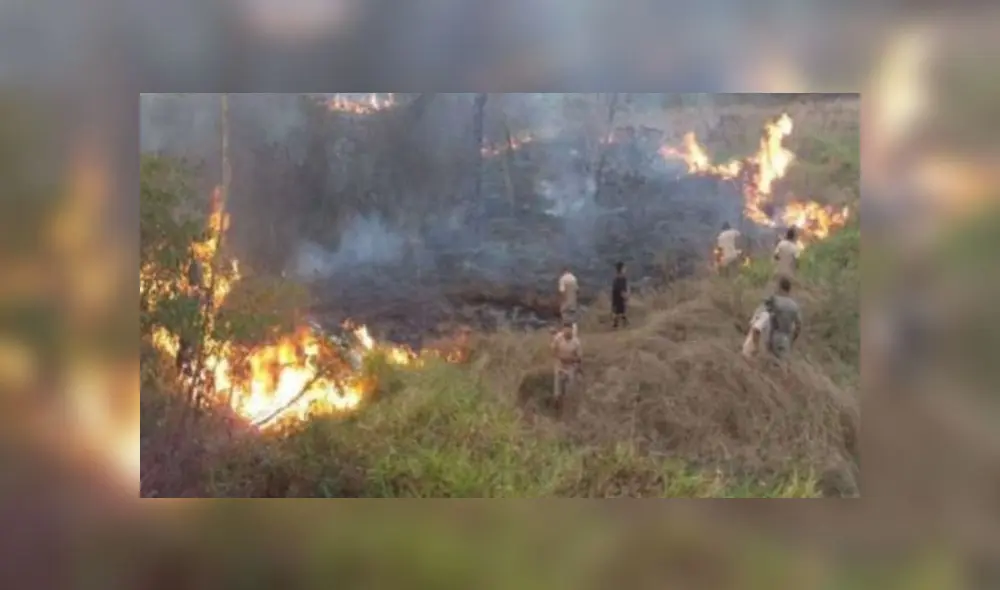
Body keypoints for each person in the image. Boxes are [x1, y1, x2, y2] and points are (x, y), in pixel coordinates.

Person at [767, 277, 802, 358]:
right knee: (783, 363)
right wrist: (793, 338)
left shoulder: (774, 300)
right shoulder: (794, 306)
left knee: (771, 363)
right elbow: (799, 326)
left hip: (774, 335)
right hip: (787, 338)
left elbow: (765, 315)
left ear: (780, 287)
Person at [551, 320, 582, 404]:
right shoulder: (558, 338)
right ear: (563, 330)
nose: (567, 332)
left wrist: (570, 359)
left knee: (571, 381)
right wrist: (560, 358)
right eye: (565, 330)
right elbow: (553, 351)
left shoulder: (576, 342)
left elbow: (579, 358)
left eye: (569, 330)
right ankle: (557, 397)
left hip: (571, 364)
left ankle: (569, 400)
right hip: (560, 362)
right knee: (557, 378)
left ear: (572, 330)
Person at [558, 266, 579, 338]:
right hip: (573, 302)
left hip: (566, 302)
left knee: (565, 319)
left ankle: (566, 336)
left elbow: (562, 292)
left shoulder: (563, 279)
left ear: (563, 271)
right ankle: (574, 335)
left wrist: (563, 302)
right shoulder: (574, 278)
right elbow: (577, 291)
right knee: (573, 319)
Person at [611, 261, 629, 328]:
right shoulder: (622, 279)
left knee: (618, 312)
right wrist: (625, 295)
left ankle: (617, 323)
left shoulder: (616, 279)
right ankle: (623, 323)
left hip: (616, 297)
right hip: (620, 297)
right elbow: (621, 288)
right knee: (621, 311)